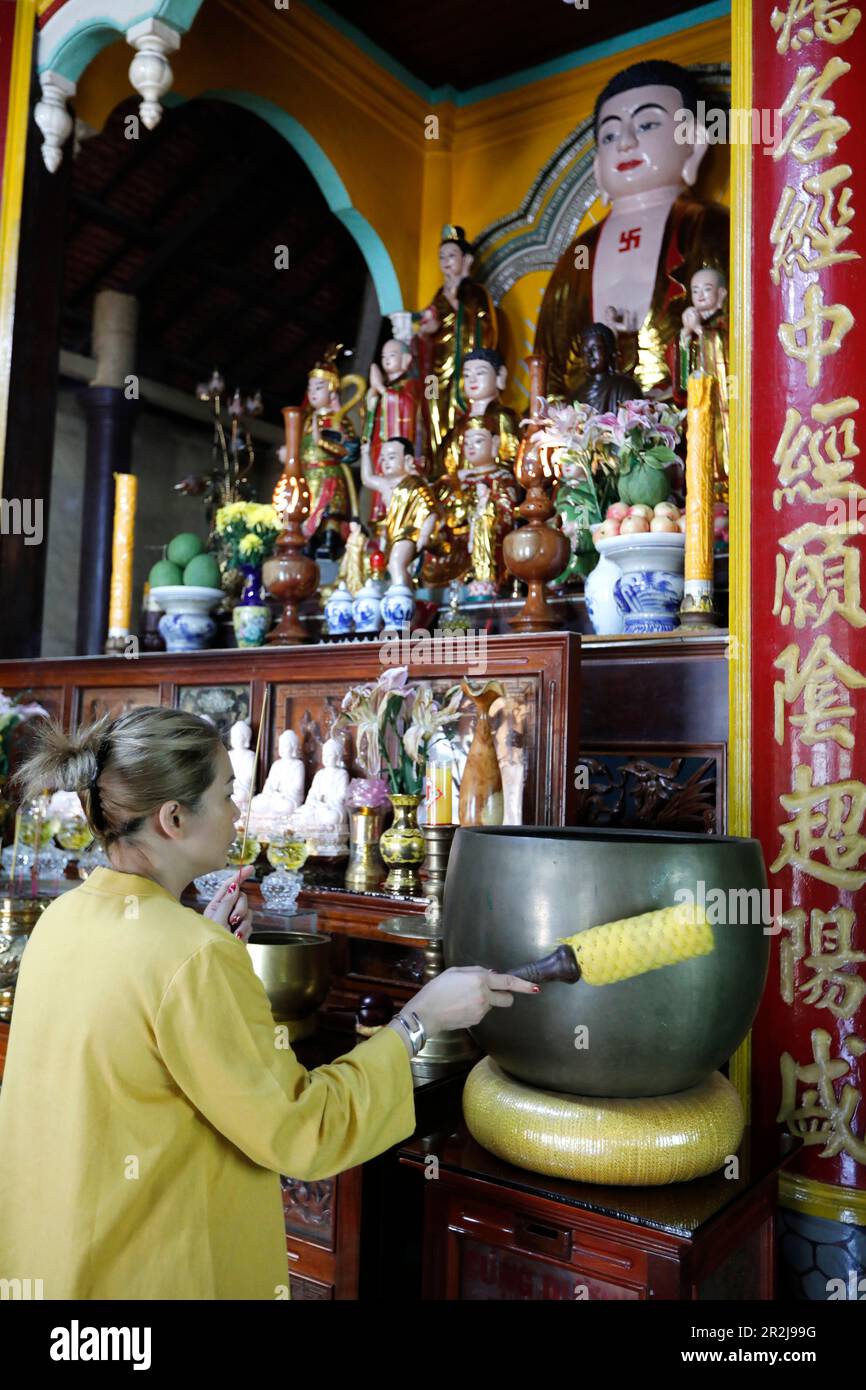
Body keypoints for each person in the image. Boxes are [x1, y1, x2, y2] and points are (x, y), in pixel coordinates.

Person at [0, 706, 535, 1299]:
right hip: (153, 1272)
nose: (239, 813)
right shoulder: (192, 956)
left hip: (61, 1263)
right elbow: (302, 1129)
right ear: (173, 818)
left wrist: (194, 940)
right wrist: (421, 1018)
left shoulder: (62, 917)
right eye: (228, 795)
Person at [534, 59, 729, 399]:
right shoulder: (579, 255)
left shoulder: (711, 228)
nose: (625, 142)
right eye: (609, 134)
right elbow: (548, 367)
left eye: (647, 124)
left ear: (694, 142)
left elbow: (734, 334)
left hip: (683, 430)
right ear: (598, 167)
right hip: (584, 442)